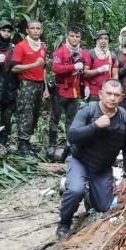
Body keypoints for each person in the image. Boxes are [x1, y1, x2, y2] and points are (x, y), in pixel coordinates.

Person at [58, 80, 126, 239]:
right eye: (109, 94)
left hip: (102, 167)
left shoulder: (125, 119)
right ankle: (64, 222)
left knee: (103, 207)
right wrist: (95, 125)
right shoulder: (89, 110)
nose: (112, 98)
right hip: (80, 161)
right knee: (76, 189)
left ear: (122, 98)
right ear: (100, 94)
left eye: (116, 95)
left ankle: (89, 195)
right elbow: (72, 136)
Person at [11, 20, 49, 156]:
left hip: (39, 84)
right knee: (25, 114)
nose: (36, 31)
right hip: (26, 84)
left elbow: (43, 67)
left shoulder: (43, 47)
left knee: (35, 114)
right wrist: (33, 65)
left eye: (38, 28)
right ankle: (22, 145)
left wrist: (46, 88)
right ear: (27, 30)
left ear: (42, 30)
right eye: (33, 28)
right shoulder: (21, 46)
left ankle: (27, 143)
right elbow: (14, 68)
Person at [48, 27, 88, 155]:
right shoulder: (60, 52)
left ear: (80, 38)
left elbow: (85, 73)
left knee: (72, 120)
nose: (74, 39)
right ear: (67, 36)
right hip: (60, 90)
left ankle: (69, 146)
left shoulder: (83, 53)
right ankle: (51, 145)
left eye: (77, 36)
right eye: (72, 36)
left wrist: (85, 86)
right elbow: (55, 68)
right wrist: (73, 66)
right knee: (55, 118)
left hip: (74, 91)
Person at [83, 29, 116, 102]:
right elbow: (84, 74)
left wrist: (114, 90)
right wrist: (99, 70)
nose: (103, 41)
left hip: (107, 92)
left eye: (106, 38)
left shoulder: (112, 56)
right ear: (97, 40)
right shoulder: (90, 54)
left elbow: (115, 76)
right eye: (101, 38)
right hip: (93, 92)